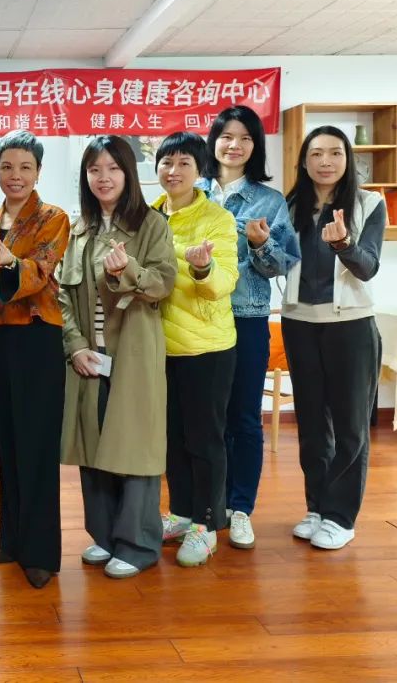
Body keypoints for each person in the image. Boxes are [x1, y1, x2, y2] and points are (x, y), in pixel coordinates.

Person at [59, 135, 176, 579]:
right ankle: (105, 536)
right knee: (94, 445)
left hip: (134, 353)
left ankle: (138, 544)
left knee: (135, 448)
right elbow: (62, 294)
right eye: (94, 170)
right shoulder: (79, 229)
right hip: (90, 355)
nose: (103, 178)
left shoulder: (151, 224)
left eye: (112, 168)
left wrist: (126, 269)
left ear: (128, 173)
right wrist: (75, 345)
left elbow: (163, 283)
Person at [198, 106, 301, 549]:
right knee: (202, 418)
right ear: (214, 142)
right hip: (194, 320)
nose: (233, 145)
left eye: (244, 138)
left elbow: (283, 263)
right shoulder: (192, 192)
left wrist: (261, 244)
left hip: (245, 318)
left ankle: (240, 507)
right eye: (226, 136)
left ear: (255, 146)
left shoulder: (269, 201)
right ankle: (206, 505)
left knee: (242, 417)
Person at [0, 130, 70, 589]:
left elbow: (41, 270)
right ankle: (11, 539)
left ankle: (40, 552)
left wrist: (11, 263)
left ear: (38, 172)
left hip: (36, 336)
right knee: (7, 439)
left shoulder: (54, 218)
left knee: (36, 444)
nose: (16, 175)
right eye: (7, 166)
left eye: (25, 167)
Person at [282, 125, 384, 551]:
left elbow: (368, 267)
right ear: (304, 161)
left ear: (348, 159)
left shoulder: (368, 203)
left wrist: (343, 244)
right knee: (311, 424)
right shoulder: (289, 206)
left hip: (351, 326)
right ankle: (318, 506)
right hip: (299, 323)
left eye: (335, 152)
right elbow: (278, 262)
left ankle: (341, 517)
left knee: (350, 426)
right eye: (316, 153)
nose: (326, 161)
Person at [152, 132, 238, 568]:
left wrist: (202, 267)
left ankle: (206, 525)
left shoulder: (217, 219)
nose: (174, 171)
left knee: (205, 440)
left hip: (206, 347)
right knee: (173, 439)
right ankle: (182, 513)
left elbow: (224, 283)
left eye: (184, 162)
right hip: (159, 347)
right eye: (167, 162)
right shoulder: (150, 215)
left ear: (200, 170)